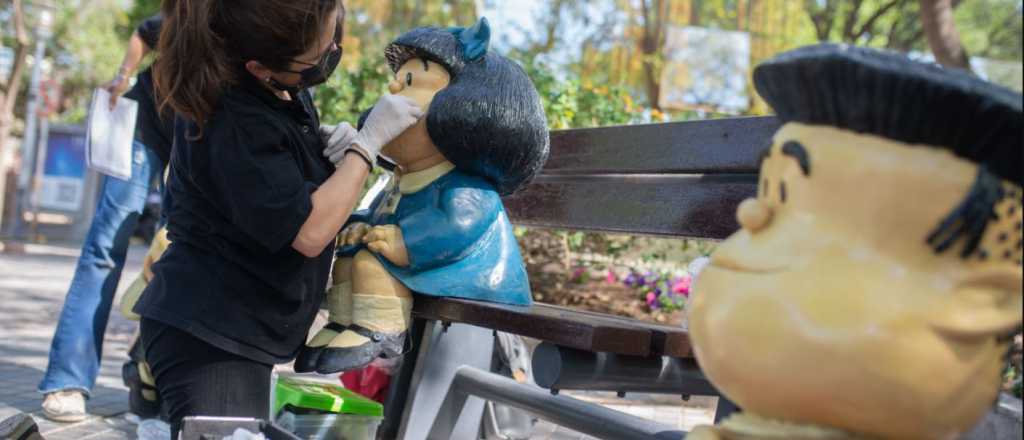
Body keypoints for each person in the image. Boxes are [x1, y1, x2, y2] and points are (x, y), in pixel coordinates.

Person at [133, 1, 422, 437]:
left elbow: (275, 191)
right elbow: (308, 231)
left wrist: (329, 158)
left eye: (333, 38)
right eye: (318, 55)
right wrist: (367, 145)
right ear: (258, 66)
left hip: (234, 329)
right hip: (210, 337)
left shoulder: (280, 90)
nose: (332, 53)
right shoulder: (233, 115)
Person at [37, 14, 172, 422]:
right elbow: (143, 34)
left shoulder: (257, 31)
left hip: (202, 131)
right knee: (106, 244)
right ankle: (67, 379)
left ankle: (159, 376)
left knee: (184, 251)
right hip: (147, 122)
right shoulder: (194, 15)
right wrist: (123, 75)